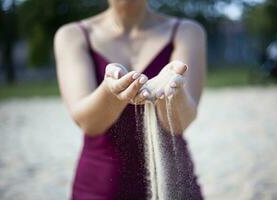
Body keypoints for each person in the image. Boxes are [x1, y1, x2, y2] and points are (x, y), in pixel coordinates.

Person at [54, 0, 206, 199]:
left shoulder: (187, 32)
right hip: (99, 186)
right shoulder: (73, 35)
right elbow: (88, 123)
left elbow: (180, 123)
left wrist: (170, 93)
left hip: (173, 186)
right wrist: (111, 92)